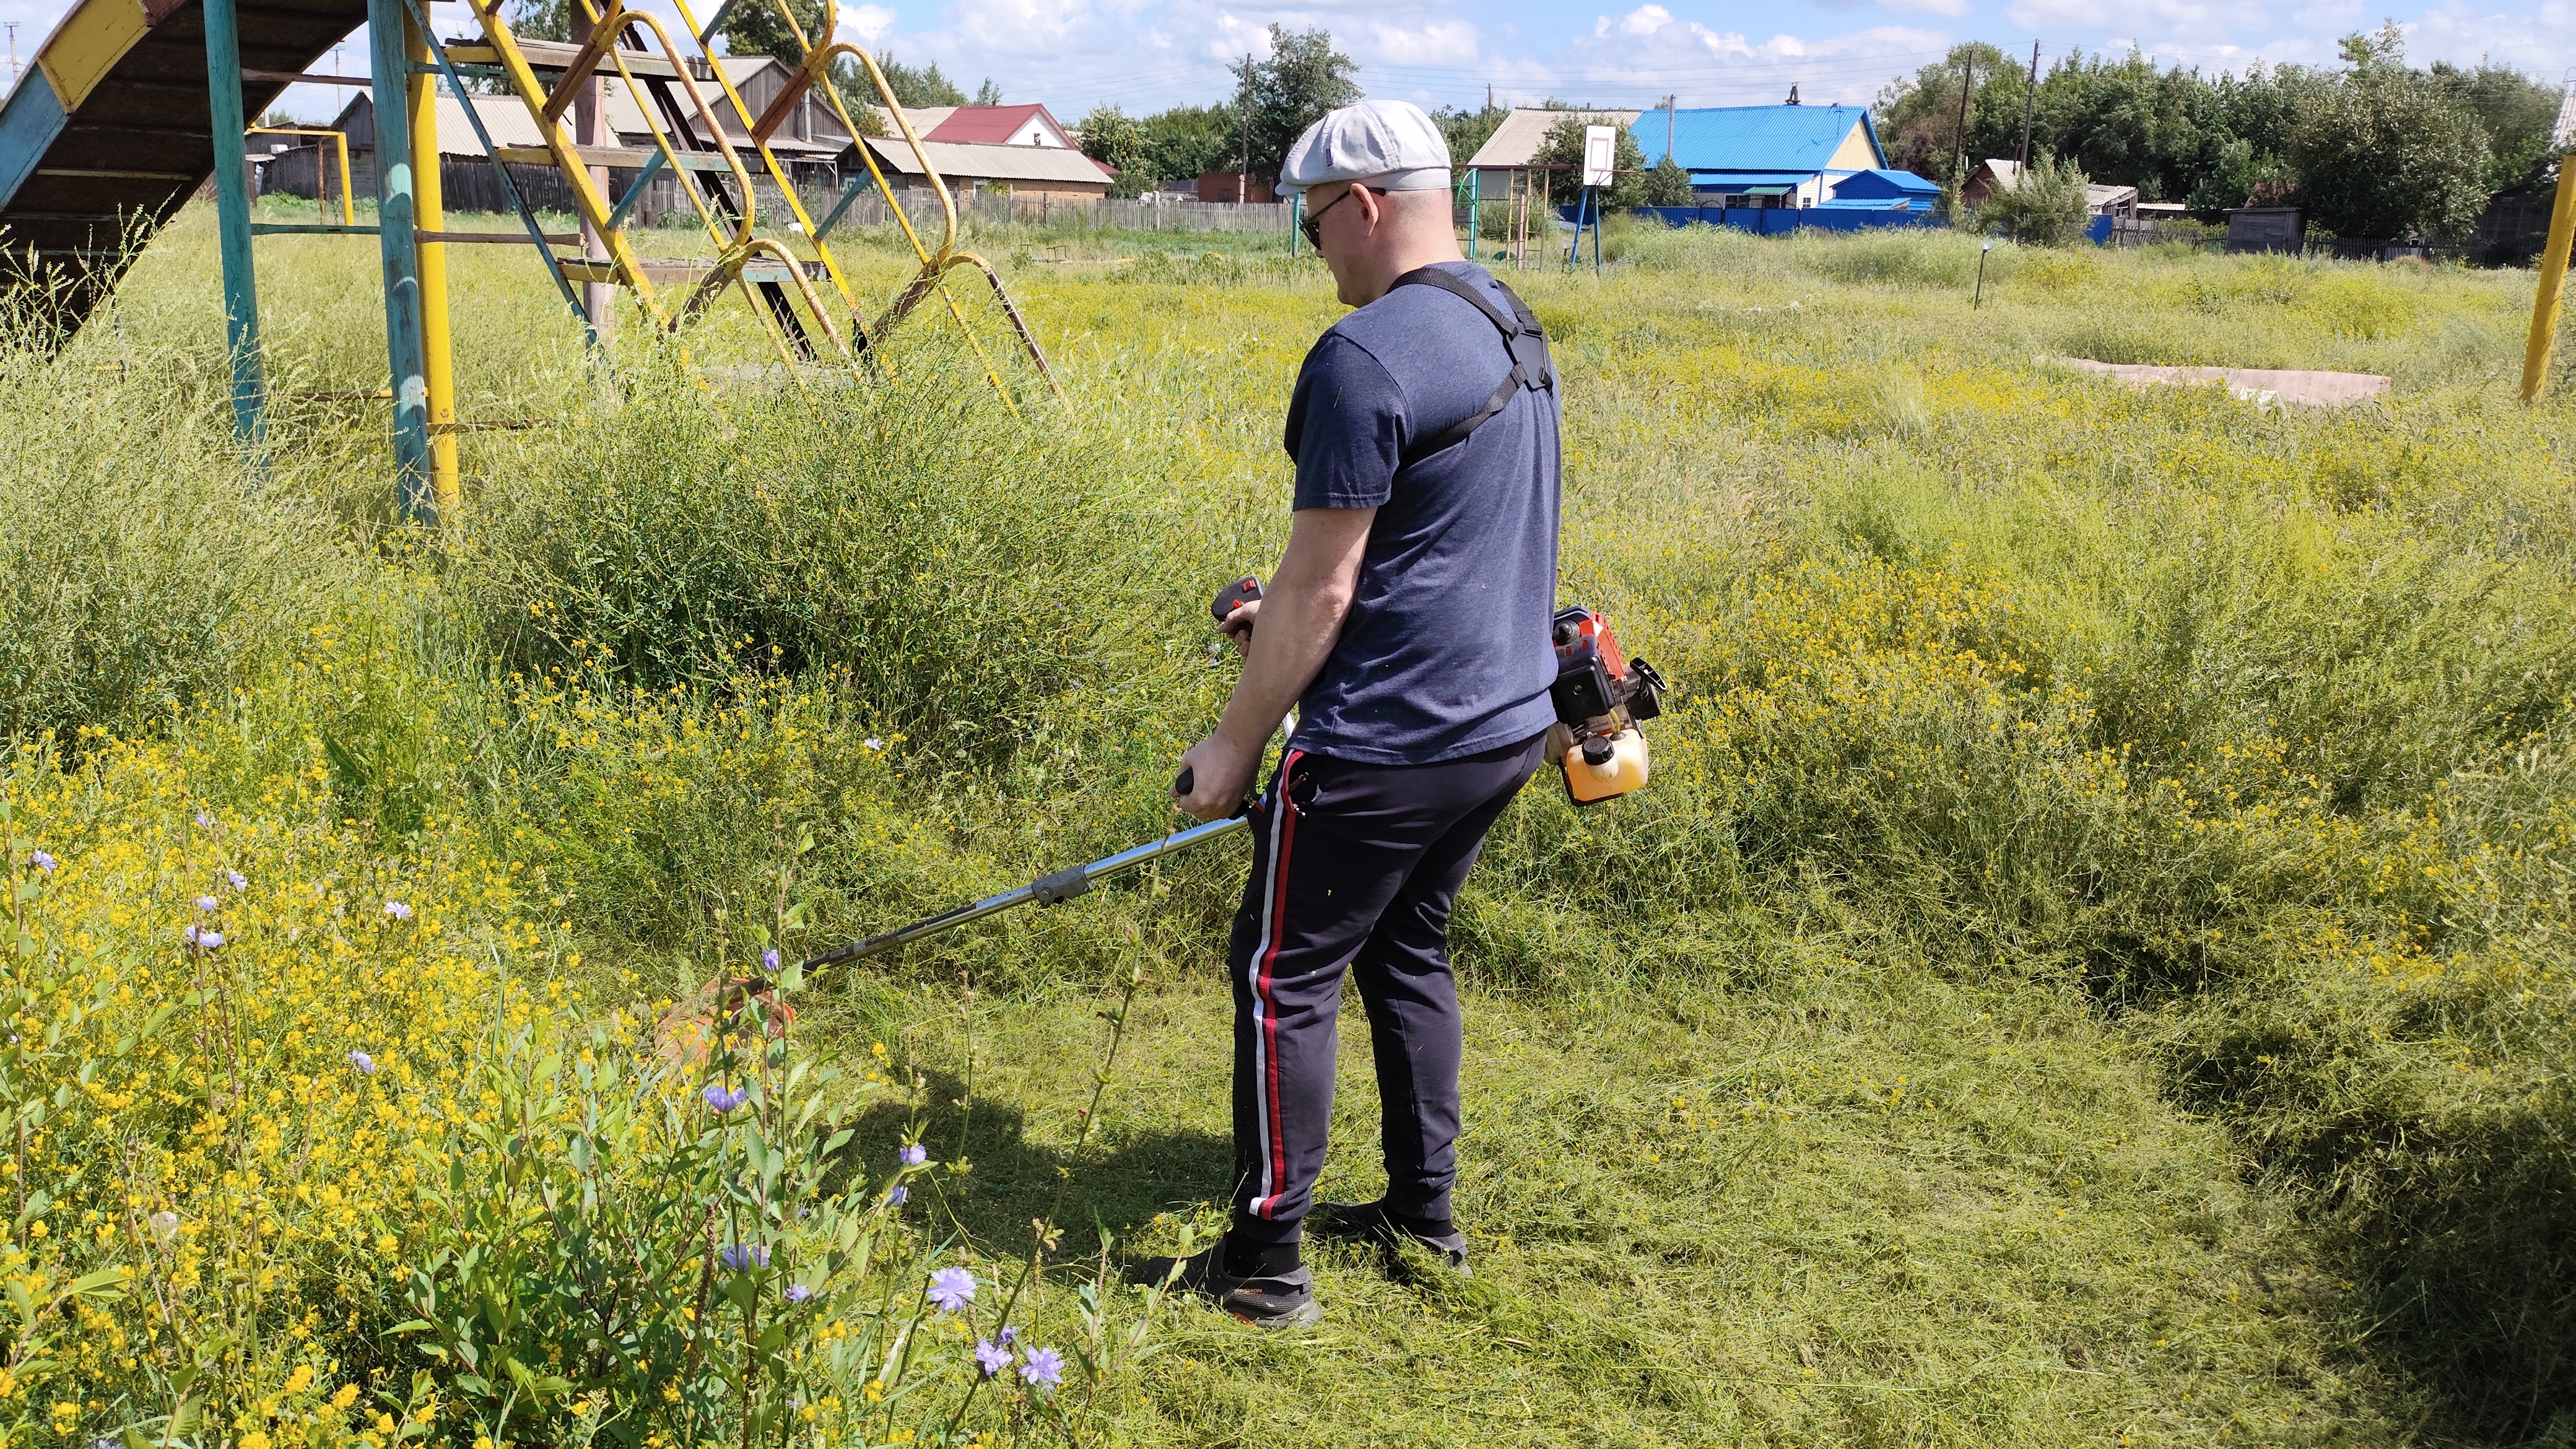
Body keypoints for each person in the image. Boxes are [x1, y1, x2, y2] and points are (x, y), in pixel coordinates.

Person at [1140, 98, 1563, 1329]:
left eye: (1313, 222)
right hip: (1502, 726)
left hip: (1386, 746)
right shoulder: (1506, 317)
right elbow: (1437, 544)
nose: (1311, 248)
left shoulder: (1363, 357)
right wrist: (1278, 620)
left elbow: (1323, 588)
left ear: (1365, 206)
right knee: (1407, 952)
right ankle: (1426, 1220)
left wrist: (1234, 743)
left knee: (1282, 974)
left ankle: (1265, 1269)